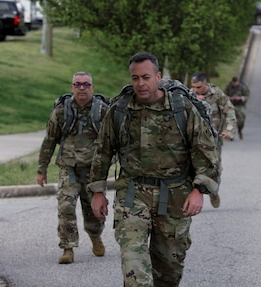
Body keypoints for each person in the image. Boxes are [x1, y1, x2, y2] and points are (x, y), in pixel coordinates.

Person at [87, 52, 219, 286]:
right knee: (134, 265)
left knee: (169, 270)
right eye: (135, 78)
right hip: (132, 194)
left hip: (175, 195)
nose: (140, 83)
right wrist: (98, 191)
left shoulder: (182, 109)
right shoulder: (120, 110)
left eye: (146, 77)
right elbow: (103, 150)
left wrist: (199, 190)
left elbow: (205, 151)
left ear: (158, 76)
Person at [36, 71, 108, 264]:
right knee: (66, 206)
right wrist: (41, 169)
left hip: (93, 170)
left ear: (92, 87)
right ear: (72, 87)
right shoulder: (62, 111)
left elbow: (113, 141)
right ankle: (68, 247)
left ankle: (95, 236)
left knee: (94, 210)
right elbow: (50, 140)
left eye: (86, 84)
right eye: (78, 84)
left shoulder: (102, 111)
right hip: (68, 168)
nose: (82, 88)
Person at [190, 71, 237, 208]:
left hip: (213, 139)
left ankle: (213, 192)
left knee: (214, 168)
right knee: (191, 167)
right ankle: (193, 195)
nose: (195, 90)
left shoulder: (216, 94)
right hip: (194, 138)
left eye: (198, 87)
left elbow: (230, 110)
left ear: (205, 84)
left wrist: (229, 130)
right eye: (193, 86)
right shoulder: (189, 95)